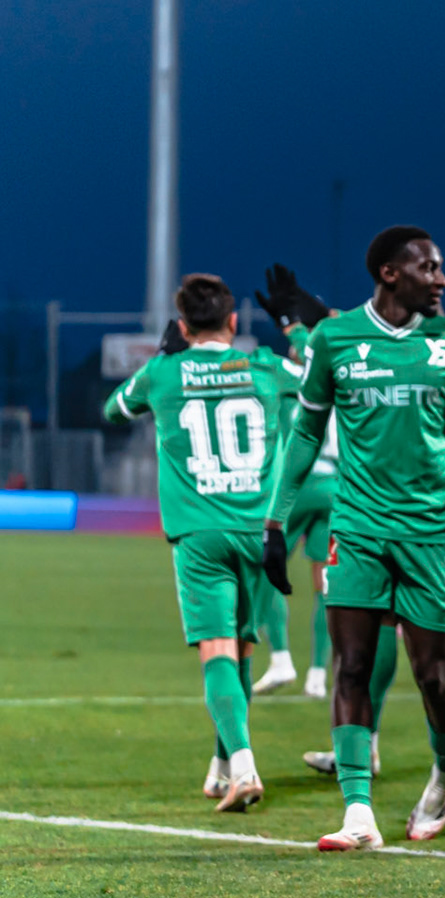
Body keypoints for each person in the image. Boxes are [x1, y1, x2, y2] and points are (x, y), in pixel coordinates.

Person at [265, 225, 445, 850]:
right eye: (428, 268)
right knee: (352, 666)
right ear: (390, 273)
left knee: (434, 676)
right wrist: (275, 523)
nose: (441, 279)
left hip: (431, 535)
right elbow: (305, 434)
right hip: (357, 530)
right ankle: (358, 811)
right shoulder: (335, 339)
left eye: (439, 268)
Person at [103, 274, 281, 812]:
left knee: (217, 650)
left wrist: (163, 357)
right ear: (234, 321)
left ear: (182, 326)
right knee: (242, 648)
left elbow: (114, 410)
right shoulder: (265, 367)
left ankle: (243, 767)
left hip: (200, 533)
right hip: (259, 530)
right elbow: (317, 378)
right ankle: (223, 765)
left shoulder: (163, 372)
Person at [250, 266, 339, 698]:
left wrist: (291, 322)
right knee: (325, 584)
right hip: (337, 487)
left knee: (266, 569)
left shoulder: (289, 375)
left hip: (298, 485)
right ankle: (318, 676)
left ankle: (281, 659)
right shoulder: (346, 374)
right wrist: (302, 316)